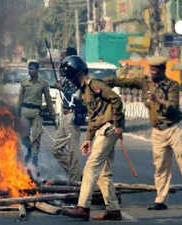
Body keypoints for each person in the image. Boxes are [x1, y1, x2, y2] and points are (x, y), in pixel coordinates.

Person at [105, 56, 182, 211]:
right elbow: (123, 81)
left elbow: (173, 107)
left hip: (174, 128)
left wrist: (158, 100)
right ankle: (160, 200)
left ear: (162, 70)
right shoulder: (145, 83)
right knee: (160, 166)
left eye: (155, 70)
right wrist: (103, 82)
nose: (152, 72)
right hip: (157, 131)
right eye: (151, 69)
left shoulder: (172, 85)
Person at [60, 56, 124, 221]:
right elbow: (93, 117)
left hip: (107, 130)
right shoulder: (84, 92)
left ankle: (83, 207)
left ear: (76, 73)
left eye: (69, 76)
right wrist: (88, 139)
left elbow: (116, 100)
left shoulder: (94, 84)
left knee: (90, 168)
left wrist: (118, 124)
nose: (69, 80)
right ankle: (113, 210)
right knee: (103, 173)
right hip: (101, 130)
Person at [50, 48, 85, 183]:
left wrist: (61, 87)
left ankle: (75, 182)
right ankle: (75, 173)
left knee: (72, 151)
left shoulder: (79, 77)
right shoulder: (66, 77)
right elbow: (60, 84)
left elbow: (76, 93)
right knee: (57, 150)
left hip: (73, 115)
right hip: (64, 116)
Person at [17, 60, 54, 172]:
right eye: (29, 69)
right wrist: (16, 112)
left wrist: (52, 114)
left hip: (37, 112)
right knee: (24, 137)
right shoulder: (24, 83)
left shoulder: (43, 83)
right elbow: (20, 98)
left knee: (37, 137)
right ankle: (28, 150)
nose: (30, 71)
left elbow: (48, 100)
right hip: (25, 111)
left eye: (32, 69)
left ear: (37, 70)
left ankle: (34, 160)